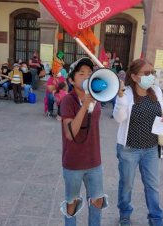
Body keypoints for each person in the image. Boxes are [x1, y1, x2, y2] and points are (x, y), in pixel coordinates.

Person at [113, 59, 163, 226]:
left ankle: (156, 218)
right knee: (127, 185)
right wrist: (121, 97)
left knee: (153, 185)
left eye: (152, 72)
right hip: (129, 149)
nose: (151, 76)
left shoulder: (156, 91)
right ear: (134, 76)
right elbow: (119, 118)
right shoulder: (127, 93)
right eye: (147, 73)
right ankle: (125, 214)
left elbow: (162, 110)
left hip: (151, 148)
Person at [60, 57, 108, 226]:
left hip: (94, 160)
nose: (87, 76)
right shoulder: (68, 101)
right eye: (81, 73)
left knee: (97, 201)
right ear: (71, 80)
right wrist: (84, 105)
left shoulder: (97, 97)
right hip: (73, 163)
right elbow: (70, 133)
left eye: (89, 73)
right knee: (71, 203)